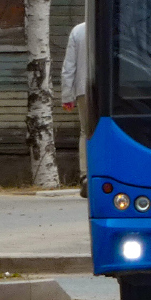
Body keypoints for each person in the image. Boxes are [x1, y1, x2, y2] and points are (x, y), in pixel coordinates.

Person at [61, 21, 89, 196]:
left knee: (86, 131)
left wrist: (67, 95)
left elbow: (69, 66)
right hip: (113, 90)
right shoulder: (116, 25)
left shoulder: (78, 30)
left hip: (84, 89)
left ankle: (86, 175)